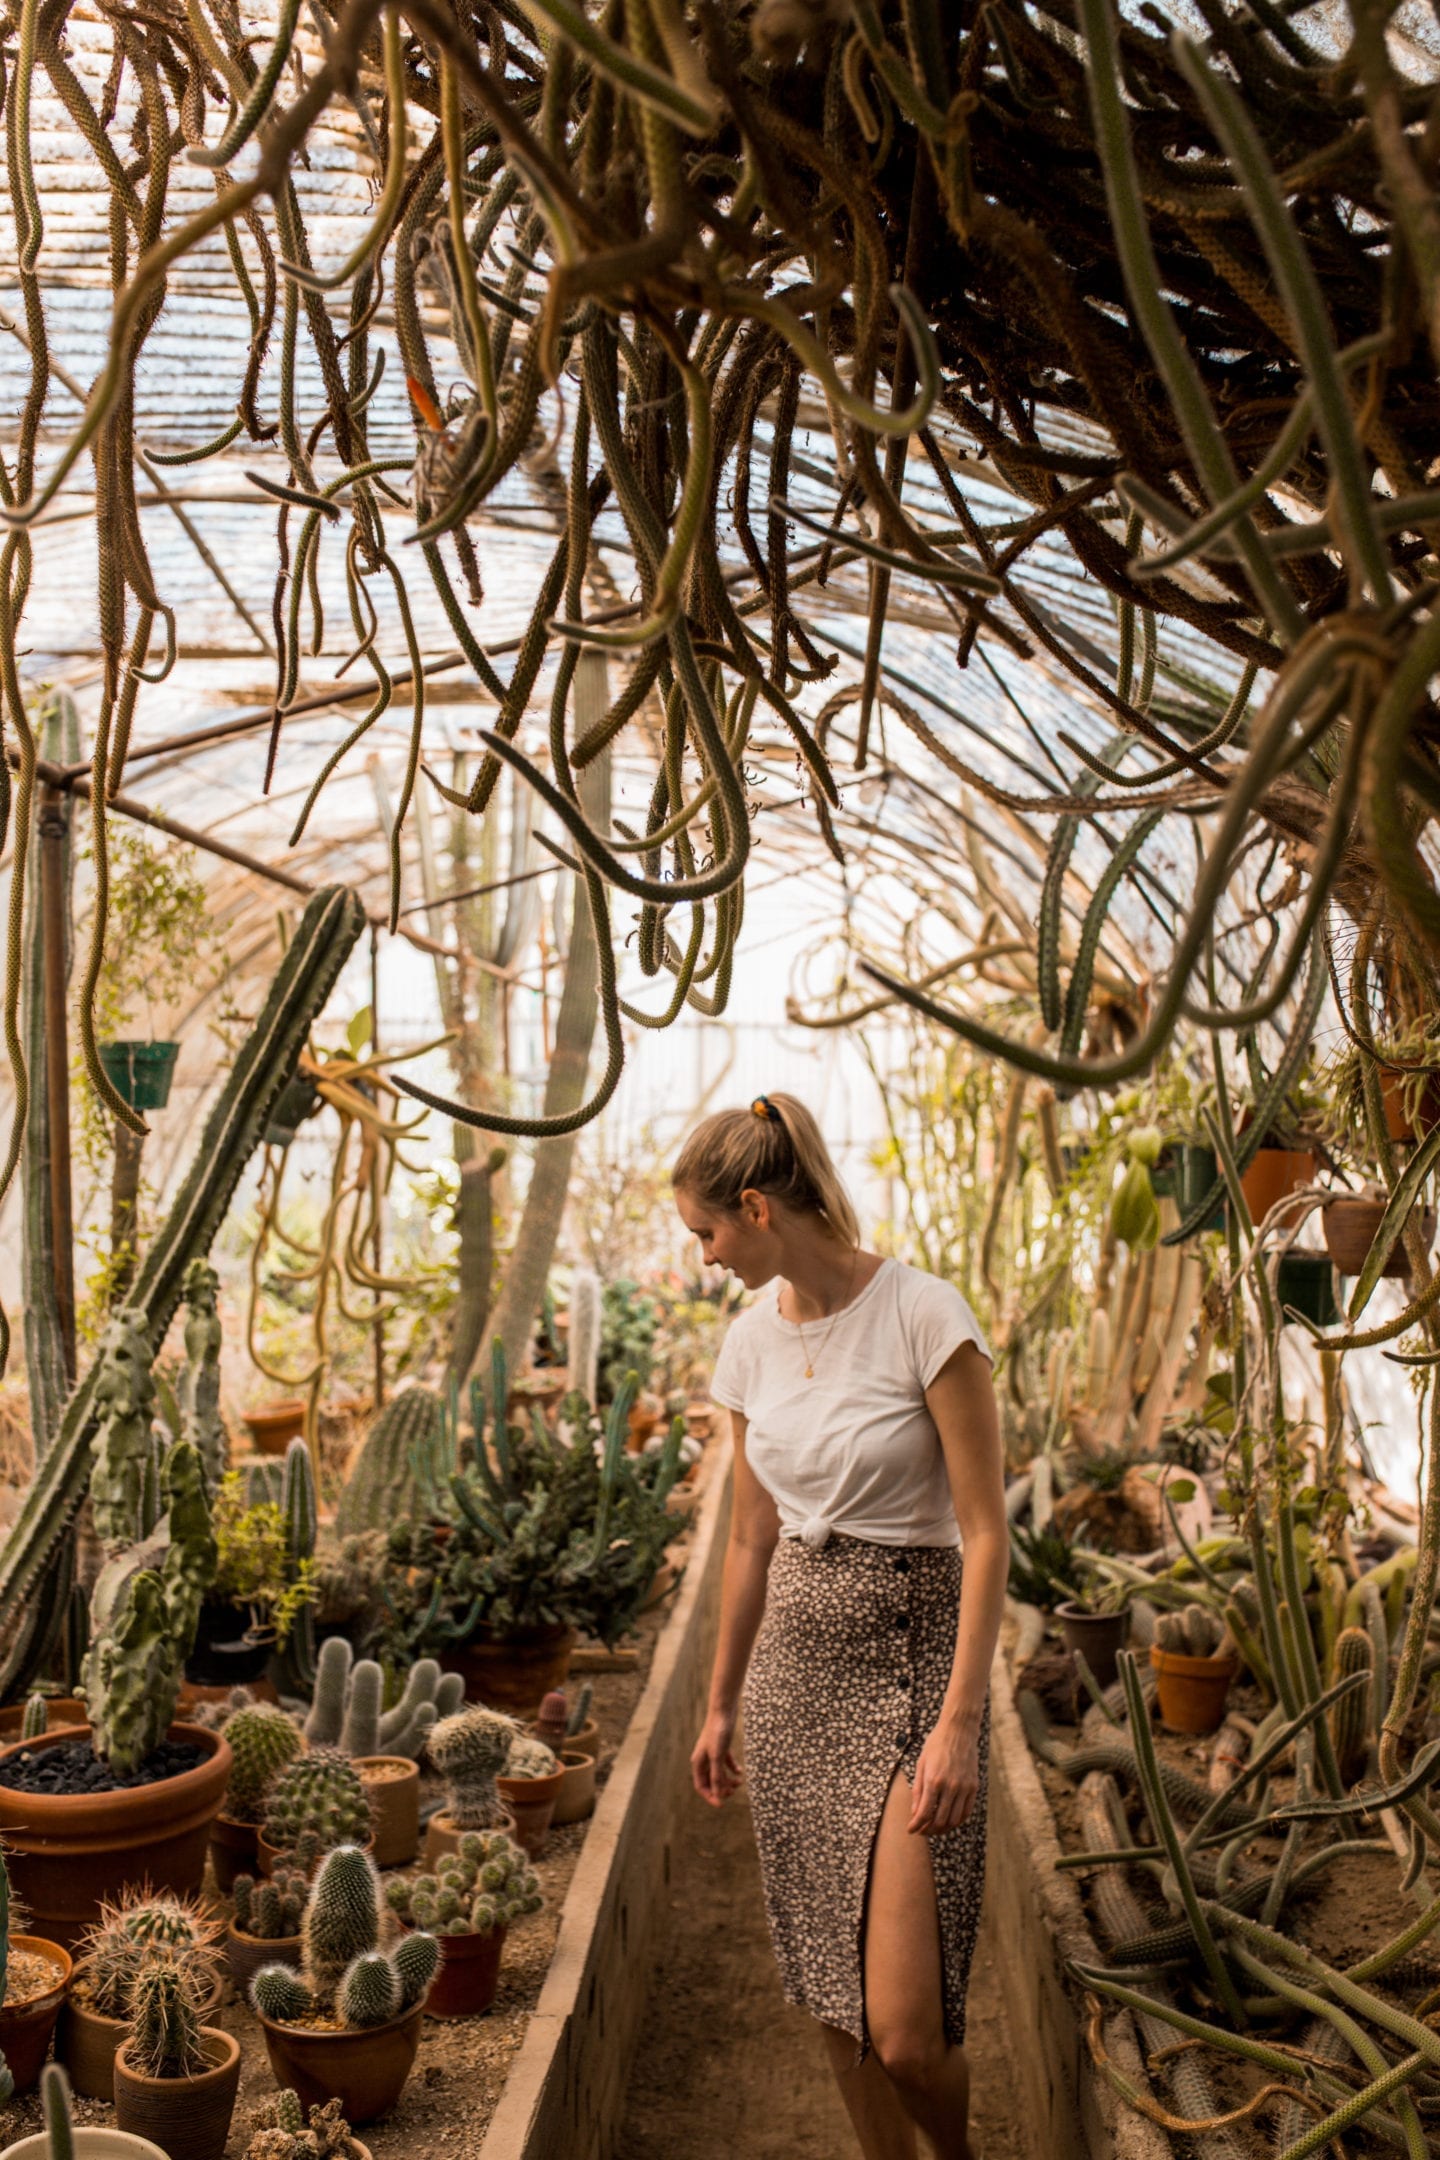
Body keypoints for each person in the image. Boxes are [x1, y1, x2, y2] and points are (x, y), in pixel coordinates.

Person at [675, 1092, 1008, 2160]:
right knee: (833, 1990)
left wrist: (958, 1724)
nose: (706, 1256)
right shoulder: (746, 1349)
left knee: (907, 2033)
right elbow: (747, 1538)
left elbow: (987, 1533)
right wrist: (720, 1705)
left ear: (759, 1209)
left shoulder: (924, 1315)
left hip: (914, 1666)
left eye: (708, 1232)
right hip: (794, 1684)